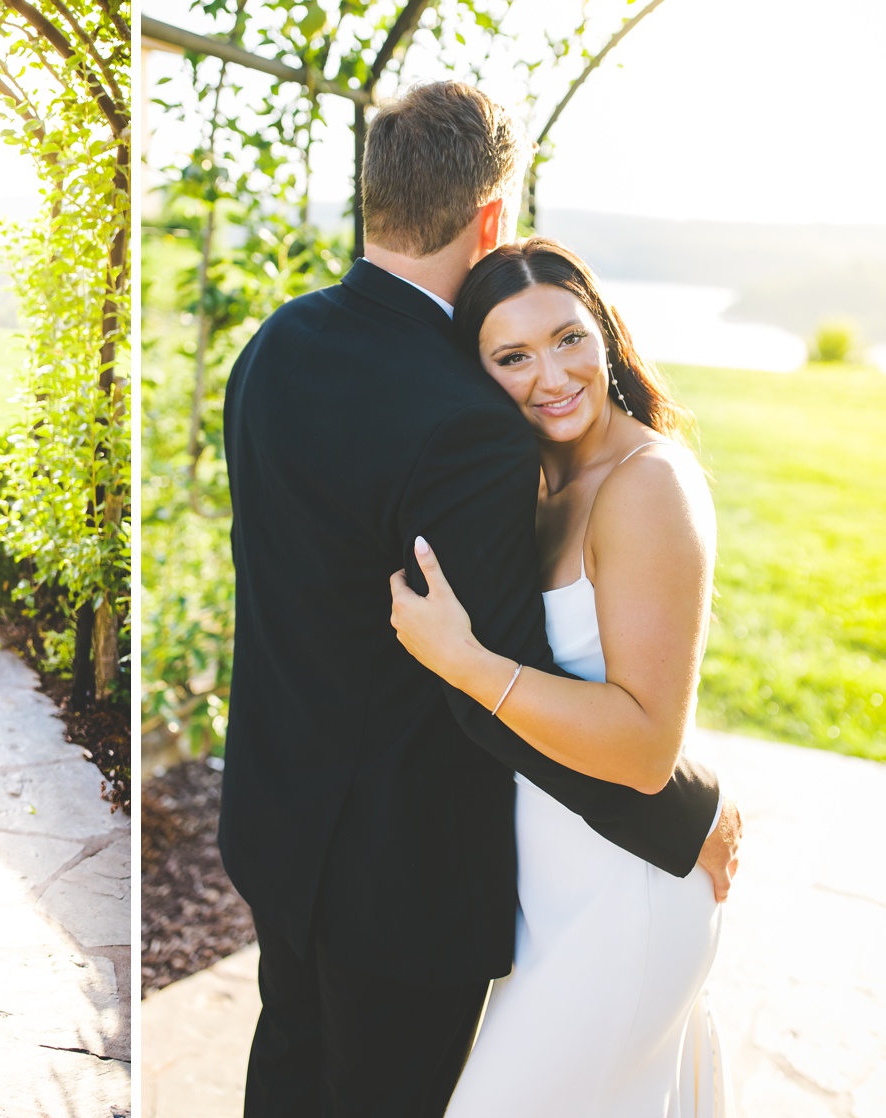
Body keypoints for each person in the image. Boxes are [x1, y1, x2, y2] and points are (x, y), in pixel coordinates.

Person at [218, 80, 743, 1116]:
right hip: (404, 881)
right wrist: (687, 806)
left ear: (373, 199)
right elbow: (478, 673)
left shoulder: (274, 347)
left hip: (280, 826)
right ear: (492, 215)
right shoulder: (468, 417)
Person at [390, 238, 736, 1115]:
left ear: (606, 335)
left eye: (570, 338)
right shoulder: (536, 482)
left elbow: (649, 746)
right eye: (513, 357)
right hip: (555, 899)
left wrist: (469, 664)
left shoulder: (647, 482)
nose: (553, 376)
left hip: (628, 897)